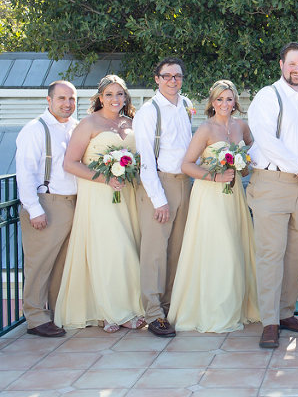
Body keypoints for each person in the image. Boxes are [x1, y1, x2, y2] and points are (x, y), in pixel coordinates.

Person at [247, 42, 298, 348]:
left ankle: (285, 313)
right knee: (271, 253)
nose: (297, 69)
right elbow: (266, 140)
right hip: (273, 181)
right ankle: (269, 322)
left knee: (296, 253)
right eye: (292, 64)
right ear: (281, 64)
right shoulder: (267, 96)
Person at [167, 80, 259, 332]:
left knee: (236, 247)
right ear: (212, 102)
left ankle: (236, 306)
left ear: (235, 102)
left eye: (229, 99)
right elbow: (187, 164)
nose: (224, 104)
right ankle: (215, 311)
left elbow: (250, 149)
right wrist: (215, 176)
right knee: (220, 250)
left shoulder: (241, 126)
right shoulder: (205, 129)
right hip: (209, 195)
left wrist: (244, 165)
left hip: (234, 196)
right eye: (220, 99)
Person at [55, 75, 144, 332]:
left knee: (130, 248)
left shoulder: (131, 123)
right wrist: (105, 178)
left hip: (127, 195)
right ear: (100, 98)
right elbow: (70, 163)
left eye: (120, 94)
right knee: (112, 250)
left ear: (125, 97)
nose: (115, 99)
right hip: (99, 194)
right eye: (109, 94)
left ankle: (126, 306)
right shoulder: (89, 123)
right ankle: (111, 311)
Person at [133, 58, 193, 337]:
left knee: (177, 249)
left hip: (185, 183)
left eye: (177, 76)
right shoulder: (149, 111)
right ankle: (154, 314)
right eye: (167, 76)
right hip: (160, 184)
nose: (173, 81)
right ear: (156, 79)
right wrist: (159, 199)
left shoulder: (184, 105)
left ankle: (168, 306)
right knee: (155, 252)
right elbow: (146, 160)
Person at [16, 81, 78, 337]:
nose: (67, 104)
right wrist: (34, 209)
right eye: (62, 98)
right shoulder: (35, 129)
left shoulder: (75, 127)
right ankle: (34, 318)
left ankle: (55, 314)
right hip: (47, 203)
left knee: (62, 265)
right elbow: (26, 172)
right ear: (49, 100)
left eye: (72, 99)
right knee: (39, 264)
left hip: (73, 203)